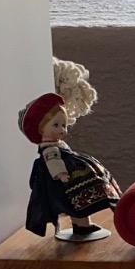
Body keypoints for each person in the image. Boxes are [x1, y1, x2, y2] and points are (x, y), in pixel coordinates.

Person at [18, 91, 121, 242]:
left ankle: (83, 225)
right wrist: (61, 174)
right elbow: (54, 162)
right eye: (56, 125)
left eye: (64, 125)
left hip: (72, 178)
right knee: (74, 204)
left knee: (79, 205)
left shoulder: (57, 144)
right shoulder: (49, 149)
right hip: (65, 182)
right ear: (40, 128)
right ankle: (82, 225)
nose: (62, 129)